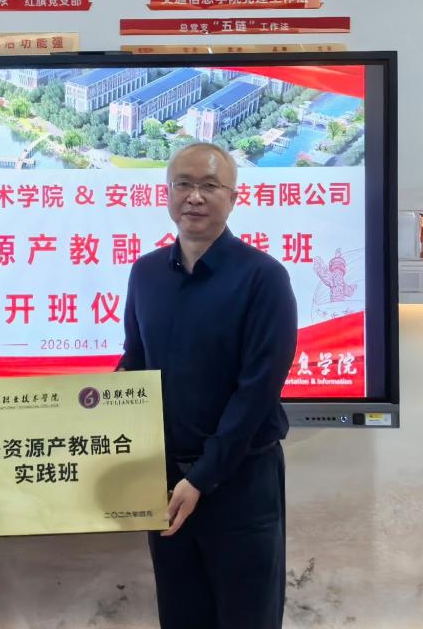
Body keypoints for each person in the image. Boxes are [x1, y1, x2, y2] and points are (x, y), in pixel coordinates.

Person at [118, 142, 298, 629]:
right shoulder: (145, 273)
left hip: (241, 482)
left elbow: (257, 391)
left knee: (247, 617)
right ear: (167, 193)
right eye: (183, 184)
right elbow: (136, 364)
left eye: (209, 186)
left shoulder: (264, 278)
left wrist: (202, 477)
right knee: (180, 616)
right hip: (165, 484)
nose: (194, 197)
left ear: (233, 198)